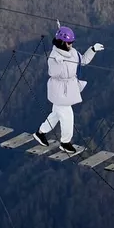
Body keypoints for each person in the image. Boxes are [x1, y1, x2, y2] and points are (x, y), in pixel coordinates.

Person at [36, 25, 102, 154]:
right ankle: (65, 142)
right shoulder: (54, 56)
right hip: (59, 90)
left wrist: (92, 50)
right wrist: (59, 63)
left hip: (68, 88)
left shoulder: (73, 52)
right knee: (67, 116)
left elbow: (82, 60)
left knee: (55, 115)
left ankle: (40, 132)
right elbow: (53, 72)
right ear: (61, 42)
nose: (71, 45)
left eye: (72, 42)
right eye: (69, 42)